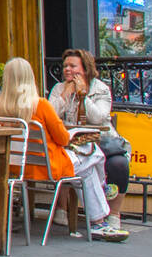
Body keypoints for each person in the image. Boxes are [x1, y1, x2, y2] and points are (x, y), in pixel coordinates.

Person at [0, 58, 122, 240]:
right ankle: (99, 217)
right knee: (91, 156)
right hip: (48, 166)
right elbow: (63, 138)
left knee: (87, 164)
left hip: (14, 167)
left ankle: (99, 215)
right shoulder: (40, 105)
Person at [48, 48, 129, 237]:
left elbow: (99, 118)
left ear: (85, 69)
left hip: (100, 139)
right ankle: (96, 219)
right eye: (65, 66)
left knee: (119, 164)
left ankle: (113, 214)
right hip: (71, 142)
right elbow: (50, 115)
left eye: (73, 66)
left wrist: (84, 97)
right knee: (84, 161)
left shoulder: (99, 88)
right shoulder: (60, 88)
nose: (67, 70)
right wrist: (65, 95)